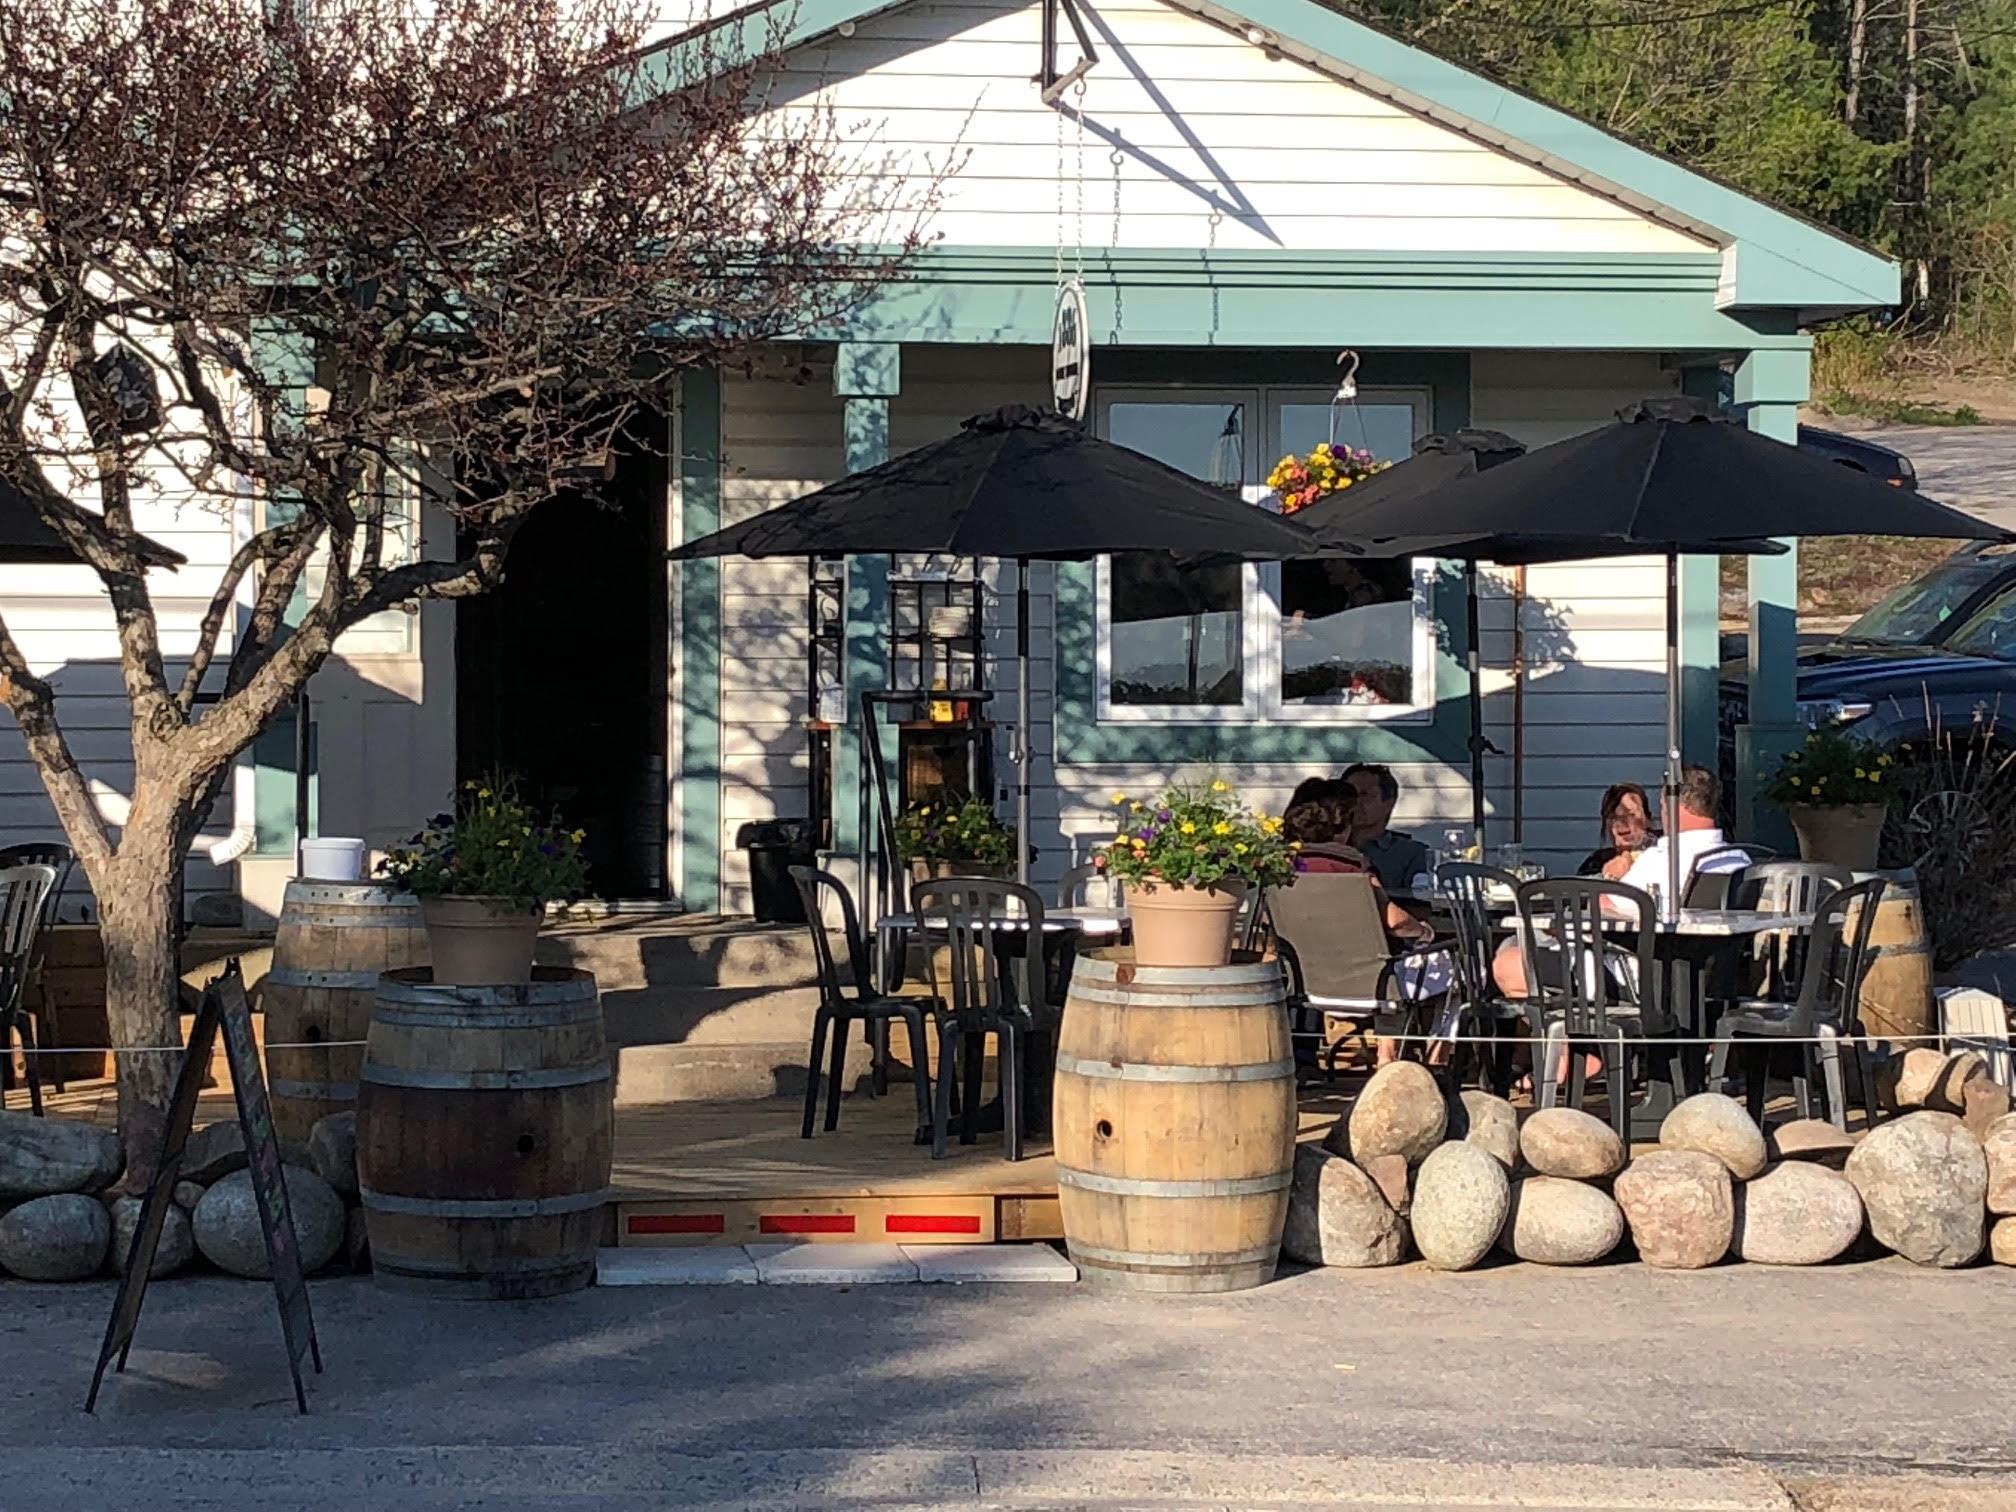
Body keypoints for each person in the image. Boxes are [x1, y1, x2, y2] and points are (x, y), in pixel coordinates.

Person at [1341, 763, 1429, 892]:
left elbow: (1420, 902)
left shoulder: (1411, 854)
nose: (1356, 801)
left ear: (1389, 803)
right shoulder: (1325, 847)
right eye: (1349, 795)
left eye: (1365, 795)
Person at [1577, 782, 1660, 878]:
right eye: (1613, 818)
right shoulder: (1594, 864)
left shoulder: (1664, 855)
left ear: (1648, 820)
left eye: (1631, 815)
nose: (1622, 825)